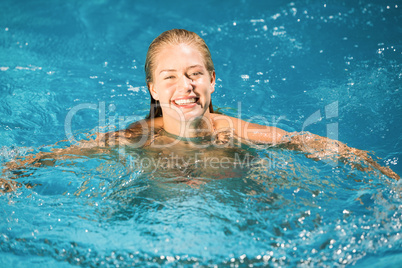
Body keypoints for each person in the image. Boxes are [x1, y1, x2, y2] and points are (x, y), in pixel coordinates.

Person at [1, 29, 399, 193]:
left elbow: (302, 141)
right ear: (153, 89)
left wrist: (371, 168)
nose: (185, 86)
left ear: (212, 80)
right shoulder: (138, 137)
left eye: (195, 74)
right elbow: (58, 156)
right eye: (170, 77)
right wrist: (11, 174)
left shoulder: (230, 128)